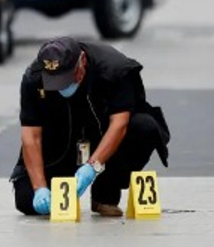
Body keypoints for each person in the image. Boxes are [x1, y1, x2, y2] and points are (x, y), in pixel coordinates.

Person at [12, 37, 171, 217]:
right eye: (54, 82)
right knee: (26, 201)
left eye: (66, 79)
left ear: (83, 62)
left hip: (102, 136)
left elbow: (120, 124)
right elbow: (30, 136)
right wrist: (39, 187)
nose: (61, 87)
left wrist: (92, 166)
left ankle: (105, 194)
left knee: (144, 127)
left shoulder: (114, 69)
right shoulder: (34, 77)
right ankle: (53, 192)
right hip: (60, 140)